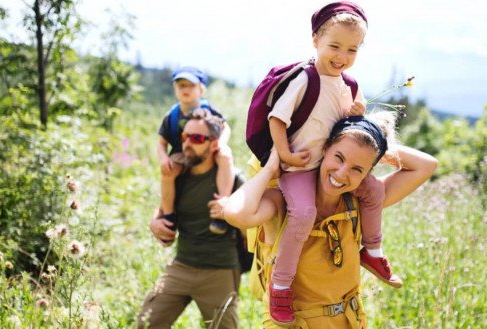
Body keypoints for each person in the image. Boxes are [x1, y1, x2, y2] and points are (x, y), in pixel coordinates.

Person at [224, 114, 438, 328]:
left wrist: (372, 144)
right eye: (339, 157)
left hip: (348, 321)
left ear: (367, 173)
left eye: (357, 169)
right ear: (324, 149)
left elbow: (426, 165)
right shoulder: (283, 201)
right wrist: (272, 167)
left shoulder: (359, 201)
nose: (342, 174)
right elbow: (234, 213)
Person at [259, 1, 398, 325]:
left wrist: (357, 113)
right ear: (315, 41)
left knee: (374, 192)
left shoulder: (348, 84)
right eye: (334, 46)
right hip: (299, 167)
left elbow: (352, 126)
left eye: (351, 49)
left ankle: (372, 251)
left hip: (331, 166)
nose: (342, 56)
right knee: (304, 213)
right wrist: (285, 155)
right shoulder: (305, 79)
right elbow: (277, 119)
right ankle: (281, 285)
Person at [139, 110, 242, 329]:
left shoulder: (233, 178)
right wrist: (154, 221)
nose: (187, 144)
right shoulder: (178, 175)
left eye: (196, 139)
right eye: (185, 137)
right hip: (182, 265)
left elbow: (252, 224)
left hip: (219, 270)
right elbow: (163, 209)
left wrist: (231, 209)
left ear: (214, 144)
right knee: (146, 322)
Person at [157, 66, 235, 236]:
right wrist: (163, 158)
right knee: (168, 173)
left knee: (225, 156)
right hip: (181, 152)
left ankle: (222, 207)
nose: (185, 90)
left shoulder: (210, 110)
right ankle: (169, 216)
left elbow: (225, 127)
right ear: (175, 89)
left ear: (201, 89)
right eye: (181, 86)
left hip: (208, 150)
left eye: (190, 86)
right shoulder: (172, 115)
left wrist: (221, 143)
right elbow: (161, 141)